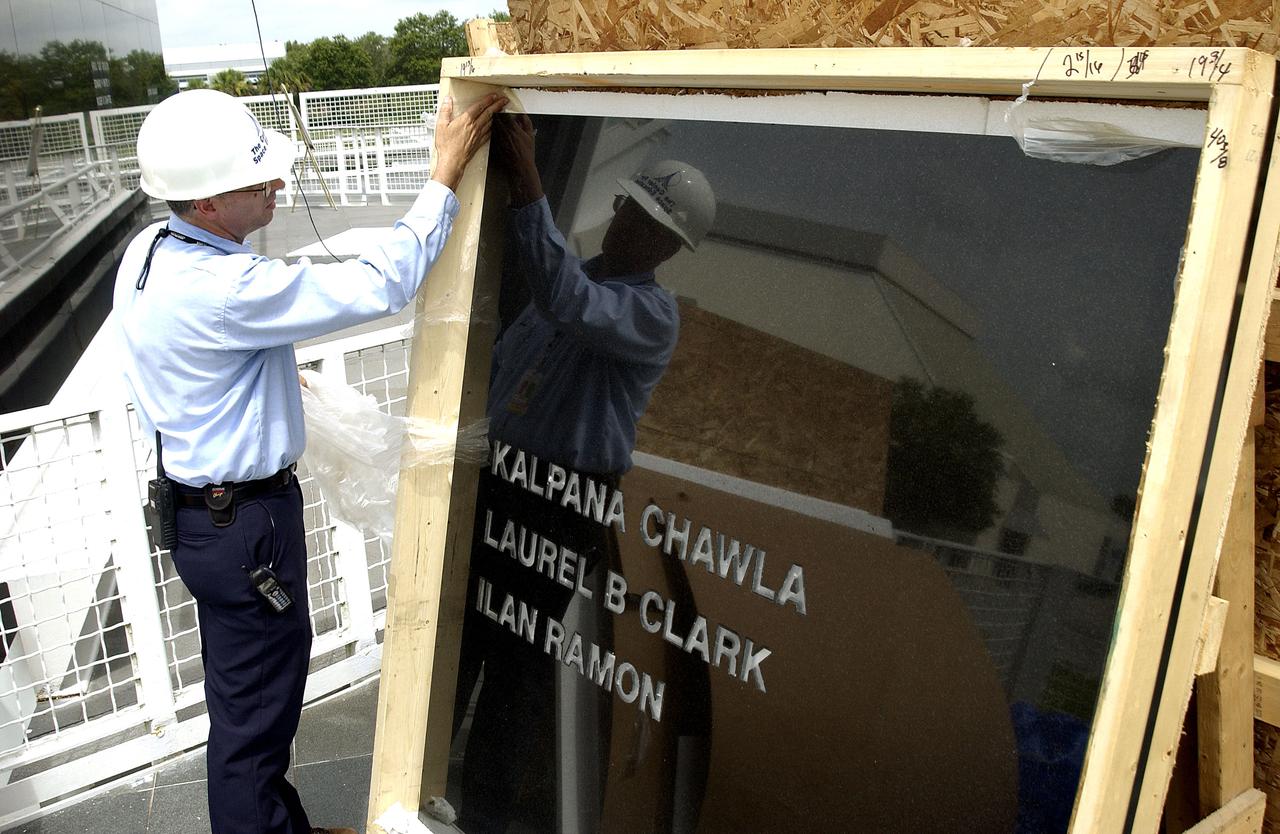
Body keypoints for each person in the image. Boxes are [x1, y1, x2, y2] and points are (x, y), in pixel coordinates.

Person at [113, 87, 506, 834]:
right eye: (256, 180)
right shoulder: (227, 288)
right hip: (246, 525)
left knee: (248, 704)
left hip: (206, 519)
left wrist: (245, 384)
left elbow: (166, 353)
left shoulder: (149, 251)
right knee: (256, 724)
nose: (276, 186)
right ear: (202, 203)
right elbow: (376, 285)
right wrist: (442, 179)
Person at [452, 113, 716, 832]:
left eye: (650, 223)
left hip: (558, 502)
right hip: (502, 479)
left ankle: (483, 818)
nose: (629, 224)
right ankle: (423, 789)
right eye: (630, 206)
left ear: (670, 246)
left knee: (514, 666)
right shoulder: (574, 276)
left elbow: (568, 301)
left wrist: (531, 179)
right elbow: (512, 362)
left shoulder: (649, 314)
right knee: (461, 641)